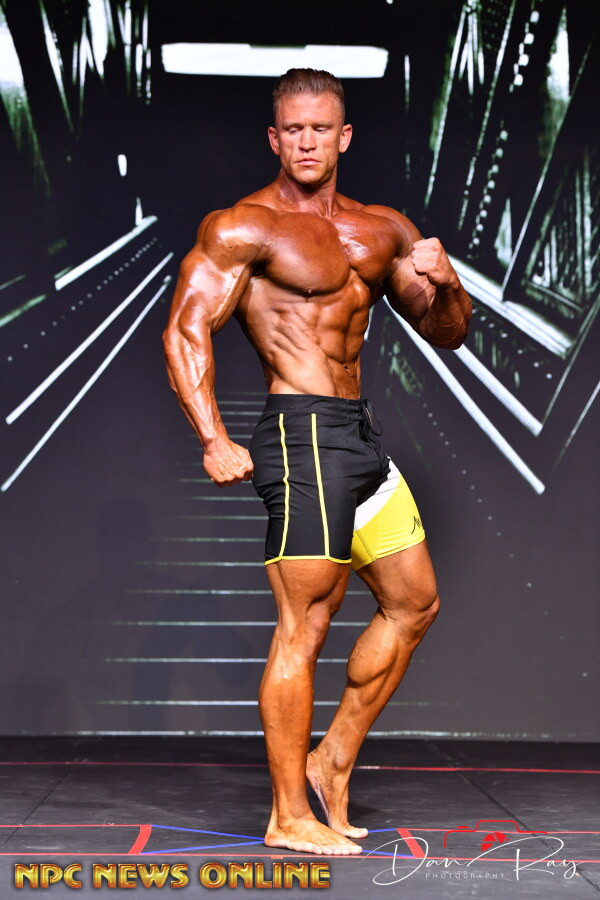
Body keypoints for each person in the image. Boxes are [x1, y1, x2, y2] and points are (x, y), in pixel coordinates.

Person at [162, 68, 471, 856]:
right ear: (275, 139)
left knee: (416, 603)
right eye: (293, 129)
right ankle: (287, 814)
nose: (306, 142)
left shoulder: (381, 230)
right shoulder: (244, 228)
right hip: (299, 432)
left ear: (344, 137)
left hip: (357, 434)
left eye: (320, 129)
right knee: (306, 623)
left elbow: (447, 333)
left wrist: (448, 282)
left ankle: (330, 760)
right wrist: (212, 437)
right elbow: (186, 329)